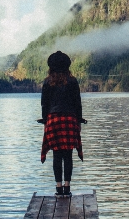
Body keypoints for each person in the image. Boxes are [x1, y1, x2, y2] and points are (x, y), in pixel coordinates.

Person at [40, 51, 83, 198]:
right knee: (68, 155)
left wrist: (46, 121)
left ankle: (58, 188)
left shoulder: (47, 82)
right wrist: (79, 121)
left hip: (53, 120)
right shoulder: (72, 81)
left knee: (57, 155)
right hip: (70, 119)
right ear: (67, 66)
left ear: (51, 67)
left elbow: (44, 105)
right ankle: (67, 187)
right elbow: (78, 104)